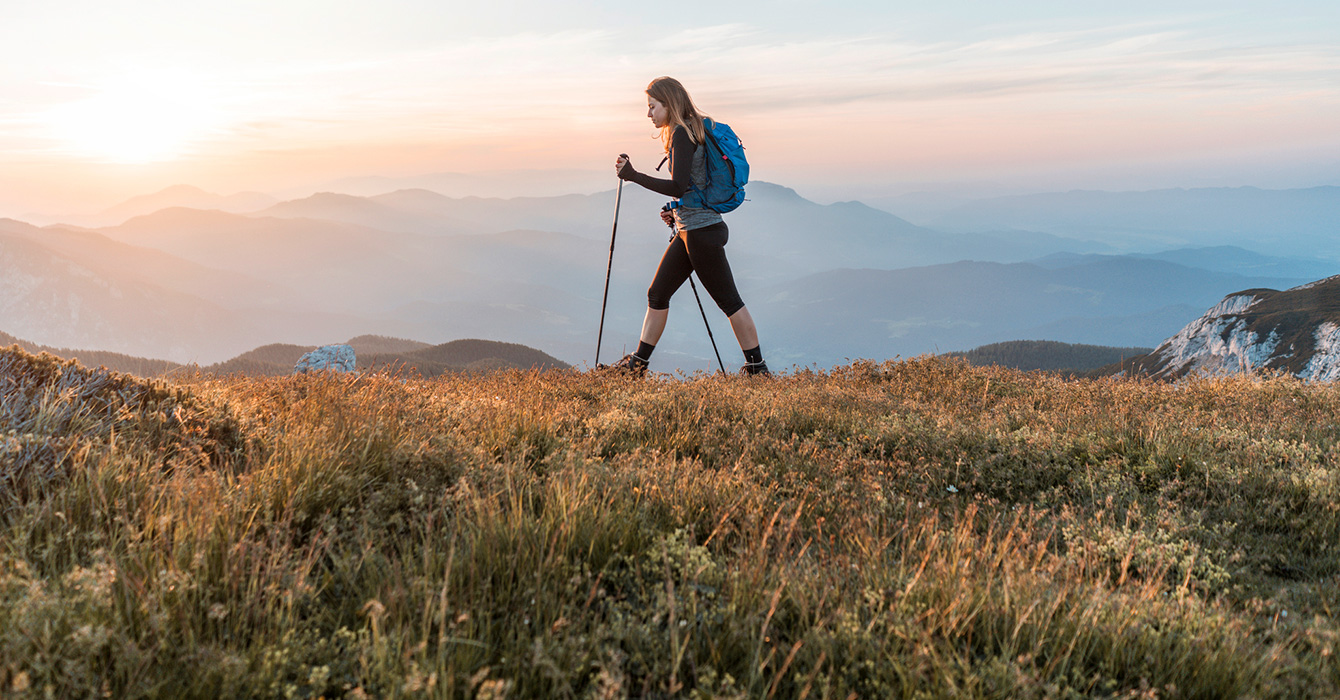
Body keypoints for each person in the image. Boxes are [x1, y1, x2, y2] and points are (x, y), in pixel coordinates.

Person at [610, 76, 769, 376]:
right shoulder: (690, 129)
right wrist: (676, 212)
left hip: (701, 235)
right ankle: (637, 366)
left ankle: (758, 369)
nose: (649, 114)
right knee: (657, 294)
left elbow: (678, 185)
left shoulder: (682, 133)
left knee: (730, 302)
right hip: (694, 229)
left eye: (652, 107)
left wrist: (633, 175)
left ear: (668, 104)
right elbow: (691, 188)